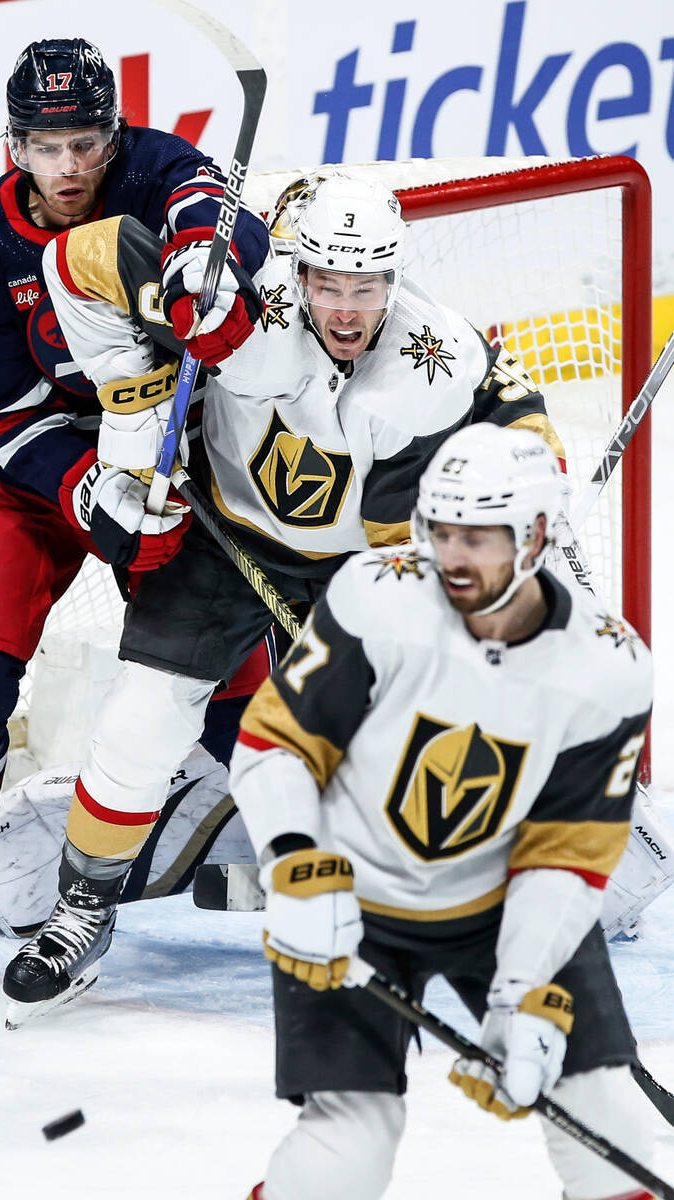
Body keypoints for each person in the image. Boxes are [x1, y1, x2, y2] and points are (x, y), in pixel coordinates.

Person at [0, 173, 569, 1022]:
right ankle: (83, 907)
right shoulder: (239, 303)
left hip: (357, 556)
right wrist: (131, 406)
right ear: (298, 274)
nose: (346, 309)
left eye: (366, 286)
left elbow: (518, 410)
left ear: (394, 277)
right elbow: (80, 255)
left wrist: (535, 484)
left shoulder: (434, 355)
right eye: (328, 284)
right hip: (223, 537)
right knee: (139, 720)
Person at [0, 36, 270, 998]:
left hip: (163, 470)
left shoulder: (149, 169)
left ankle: (301, 841)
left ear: (112, 134)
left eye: (86, 142)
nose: (69, 166)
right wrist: (79, 490)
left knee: (227, 678)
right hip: (37, 481)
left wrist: (206, 267)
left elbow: (224, 216)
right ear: (13, 145)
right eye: (45, 145)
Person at [228, 423, 654, 1200]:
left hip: (501, 905)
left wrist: (521, 991)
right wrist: (293, 864)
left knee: (618, 1133)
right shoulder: (375, 594)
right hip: (345, 891)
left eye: (477, 537)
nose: (451, 557)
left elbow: (568, 851)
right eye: (440, 530)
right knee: (342, 1155)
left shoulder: (607, 667)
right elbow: (274, 744)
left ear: (533, 535)